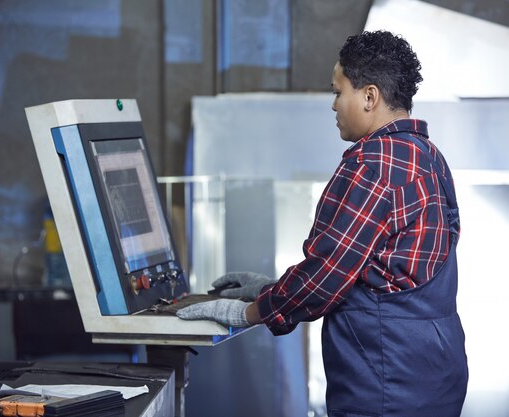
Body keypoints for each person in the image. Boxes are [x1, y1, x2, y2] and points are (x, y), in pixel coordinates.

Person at [177, 30, 468, 417]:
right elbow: (380, 271)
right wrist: (272, 287)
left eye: (337, 91)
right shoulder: (429, 157)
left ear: (369, 97)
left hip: (385, 383)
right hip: (435, 374)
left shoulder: (372, 166)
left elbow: (326, 275)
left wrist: (247, 313)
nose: (333, 105)